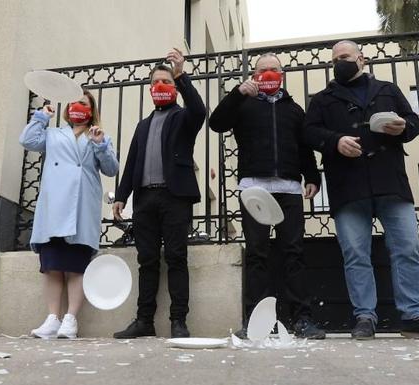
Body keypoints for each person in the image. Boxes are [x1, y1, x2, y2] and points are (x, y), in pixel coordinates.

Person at [304, 40, 419, 340]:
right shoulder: (321, 99)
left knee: (407, 249)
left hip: (391, 183)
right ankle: (364, 317)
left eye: (344, 57)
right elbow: (308, 132)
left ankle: (412, 316)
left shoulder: (389, 90)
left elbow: (413, 122)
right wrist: (335, 141)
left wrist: (403, 127)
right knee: (356, 254)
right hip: (348, 187)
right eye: (334, 60)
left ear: (362, 59)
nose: (339, 63)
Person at [209, 53, 326, 339]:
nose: (269, 74)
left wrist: (312, 177)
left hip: (288, 189)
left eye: (274, 70)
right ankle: (255, 322)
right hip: (254, 189)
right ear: (254, 75)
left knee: (294, 253)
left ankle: (302, 320)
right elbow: (216, 123)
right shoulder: (243, 103)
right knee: (257, 255)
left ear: (282, 74)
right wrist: (236, 94)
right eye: (263, 71)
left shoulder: (295, 109)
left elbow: (303, 148)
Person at [112, 48, 206, 339]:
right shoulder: (143, 125)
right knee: (147, 261)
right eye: (157, 83)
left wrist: (182, 75)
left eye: (167, 82)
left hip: (174, 197)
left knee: (177, 257)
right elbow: (131, 163)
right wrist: (121, 196)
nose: (161, 86)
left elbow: (200, 111)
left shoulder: (183, 117)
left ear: (174, 87)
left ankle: (179, 321)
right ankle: (144, 321)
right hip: (145, 200)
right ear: (151, 88)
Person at [19, 90, 119, 339]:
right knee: (51, 266)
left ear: (92, 110)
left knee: (76, 267)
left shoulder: (98, 136)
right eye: (75, 103)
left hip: (81, 207)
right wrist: (42, 116)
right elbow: (27, 140)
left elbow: (111, 169)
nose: (78, 107)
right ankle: (52, 318)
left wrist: (100, 145)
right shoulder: (53, 134)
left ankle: (71, 319)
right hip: (54, 205)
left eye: (84, 104)